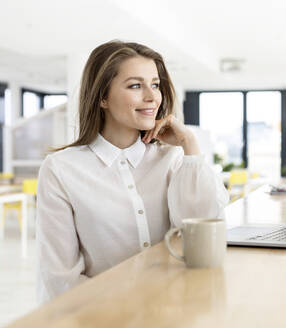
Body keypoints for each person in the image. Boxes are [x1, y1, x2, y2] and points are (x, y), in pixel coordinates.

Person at [36, 40, 229, 303]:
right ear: (102, 96)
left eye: (155, 84)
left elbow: (203, 233)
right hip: (102, 313)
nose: (152, 97)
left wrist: (189, 146)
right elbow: (59, 277)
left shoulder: (171, 158)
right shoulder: (61, 169)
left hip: (174, 305)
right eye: (135, 85)